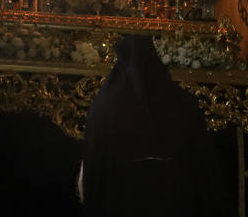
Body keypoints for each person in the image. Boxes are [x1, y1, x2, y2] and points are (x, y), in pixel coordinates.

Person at [81, 34, 228, 217]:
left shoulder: (105, 106)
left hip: (121, 198)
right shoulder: (181, 102)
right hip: (173, 197)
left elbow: (93, 169)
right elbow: (203, 166)